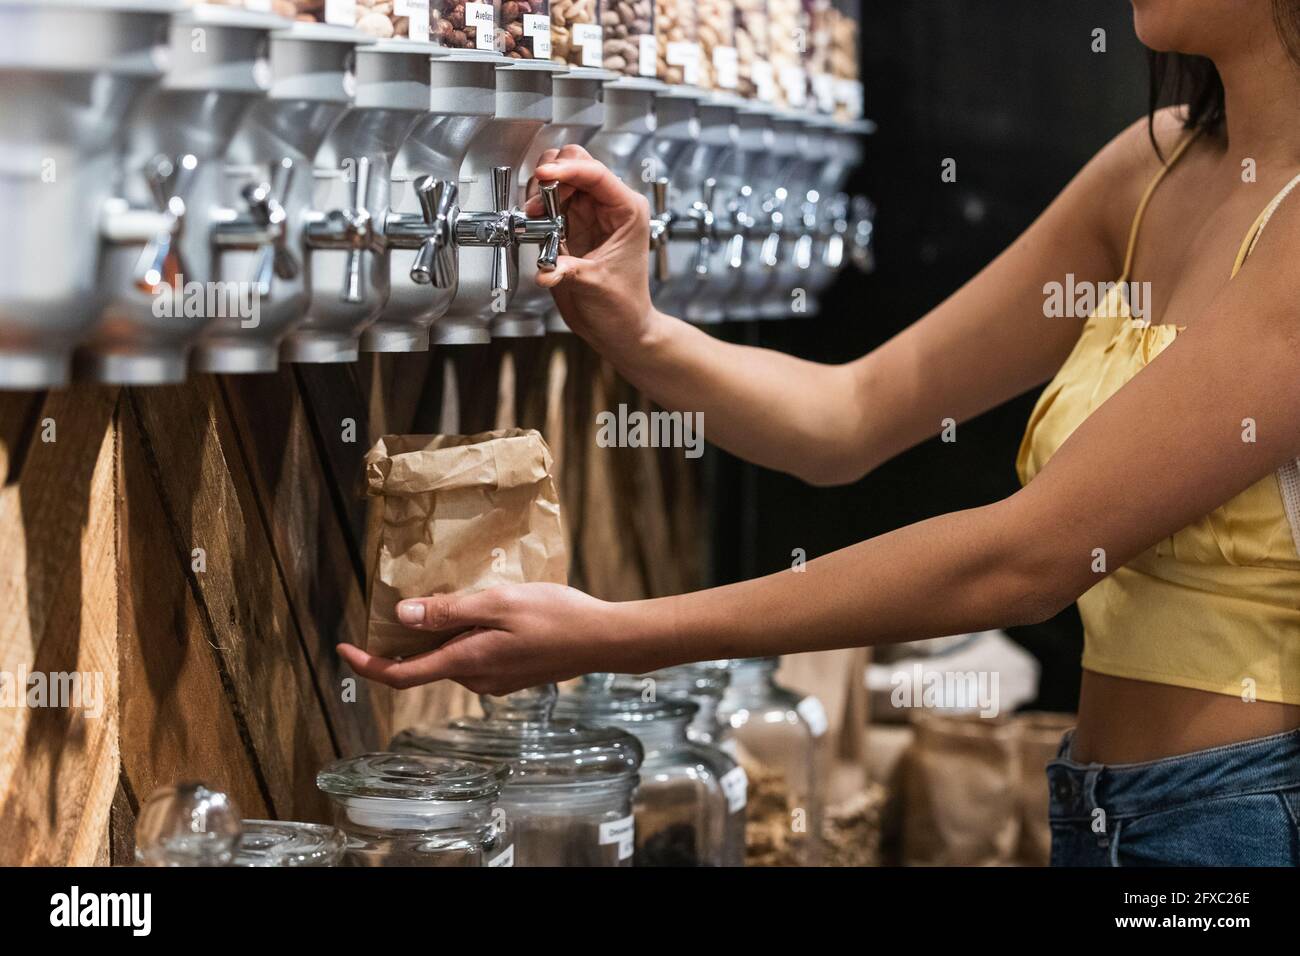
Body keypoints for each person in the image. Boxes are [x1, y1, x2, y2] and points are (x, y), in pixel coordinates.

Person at [340, 0, 1300, 865]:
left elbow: (1031, 556)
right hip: (1105, 808)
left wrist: (617, 635)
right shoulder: (1152, 168)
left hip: (1247, 816)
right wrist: (642, 328)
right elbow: (848, 418)